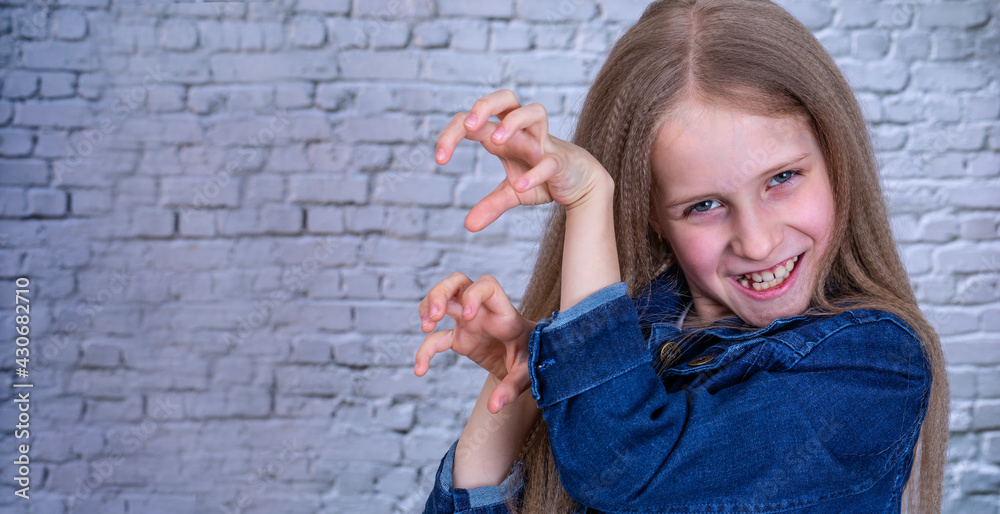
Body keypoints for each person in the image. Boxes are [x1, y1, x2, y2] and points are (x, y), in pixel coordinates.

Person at [413, 0, 949, 512]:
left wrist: (587, 198)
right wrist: (524, 381)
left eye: (782, 178)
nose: (757, 242)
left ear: (836, 159)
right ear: (652, 216)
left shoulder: (874, 366)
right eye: (705, 205)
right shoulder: (629, 333)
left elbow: (623, 466)